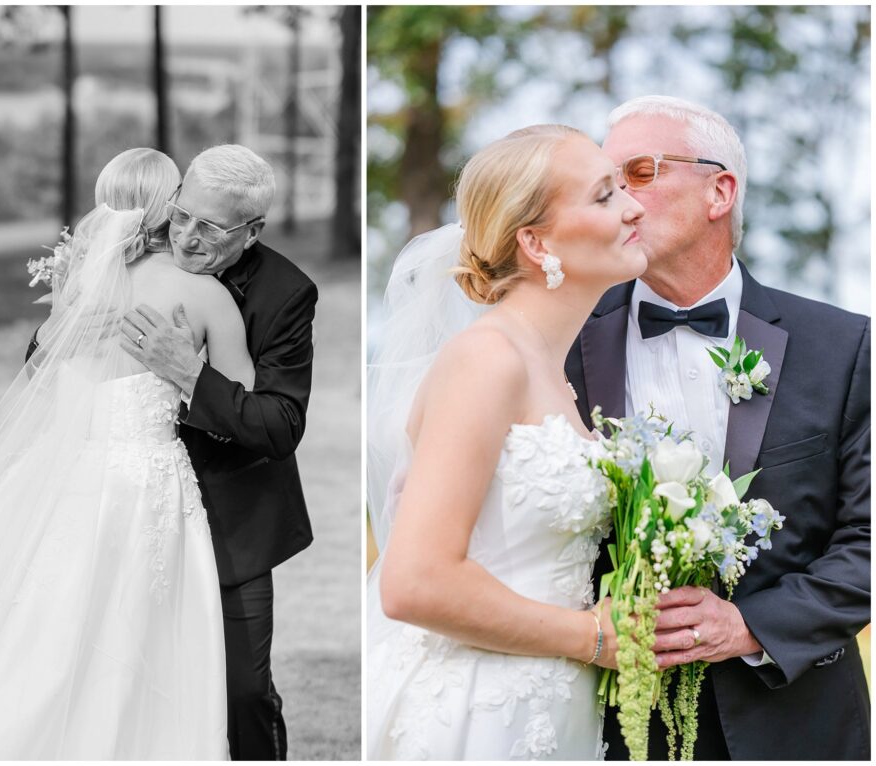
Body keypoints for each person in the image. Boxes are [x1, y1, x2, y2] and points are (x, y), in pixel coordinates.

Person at [0, 148, 252, 759]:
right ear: (167, 209)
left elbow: (45, 371)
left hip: (56, 471)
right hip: (143, 482)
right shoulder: (202, 295)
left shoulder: (77, 285)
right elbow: (242, 403)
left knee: (34, 622)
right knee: (134, 633)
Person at [564, 95, 871, 760]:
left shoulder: (843, 347)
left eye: (641, 171)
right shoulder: (558, 344)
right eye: (606, 183)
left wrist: (746, 624)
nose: (620, 199)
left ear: (720, 191)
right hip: (607, 726)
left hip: (796, 722)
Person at [367, 125, 646, 760]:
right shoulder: (487, 360)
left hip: (552, 707)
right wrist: (594, 638)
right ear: (536, 241)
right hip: (478, 712)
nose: (634, 206)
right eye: (604, 196)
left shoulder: (549, 369)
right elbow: (413, 582)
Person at [81, 144, 318, 760]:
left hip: (232, 522)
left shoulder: (287, 293)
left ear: (252, 231)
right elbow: (41, 359)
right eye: (180, 214)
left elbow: (279, 424)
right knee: (118, 676)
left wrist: (189, 374)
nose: (184, 237)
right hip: (127, 509)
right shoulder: (129, 257)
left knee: (241, 691)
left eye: (209, 229)